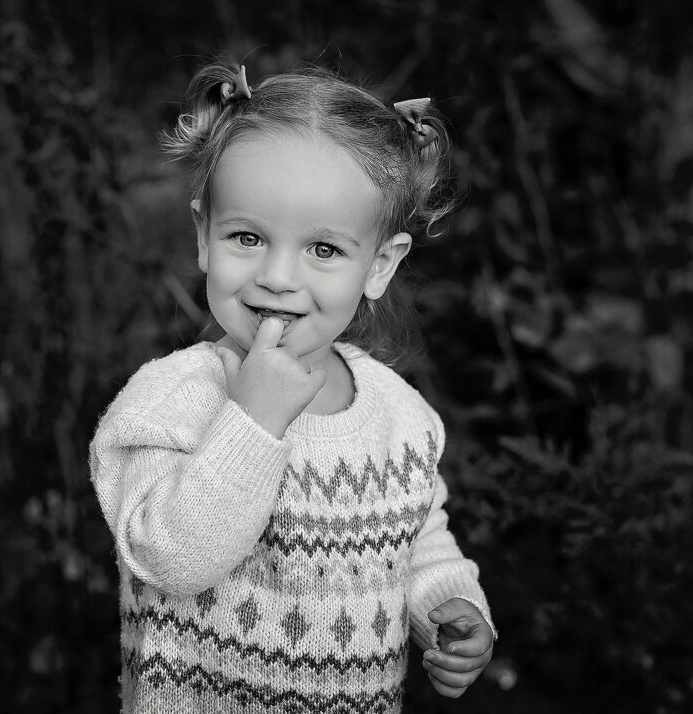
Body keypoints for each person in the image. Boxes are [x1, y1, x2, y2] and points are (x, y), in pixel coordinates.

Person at [89, 60, 496, 713]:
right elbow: (168, 560)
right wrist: (252, 423)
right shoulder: (167, 402)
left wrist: (445, 603)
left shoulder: (399, 416)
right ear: (203, 235)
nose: (278, 276)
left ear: (380, 265)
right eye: (247, 237)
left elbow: (418, 535)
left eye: (324, 250)